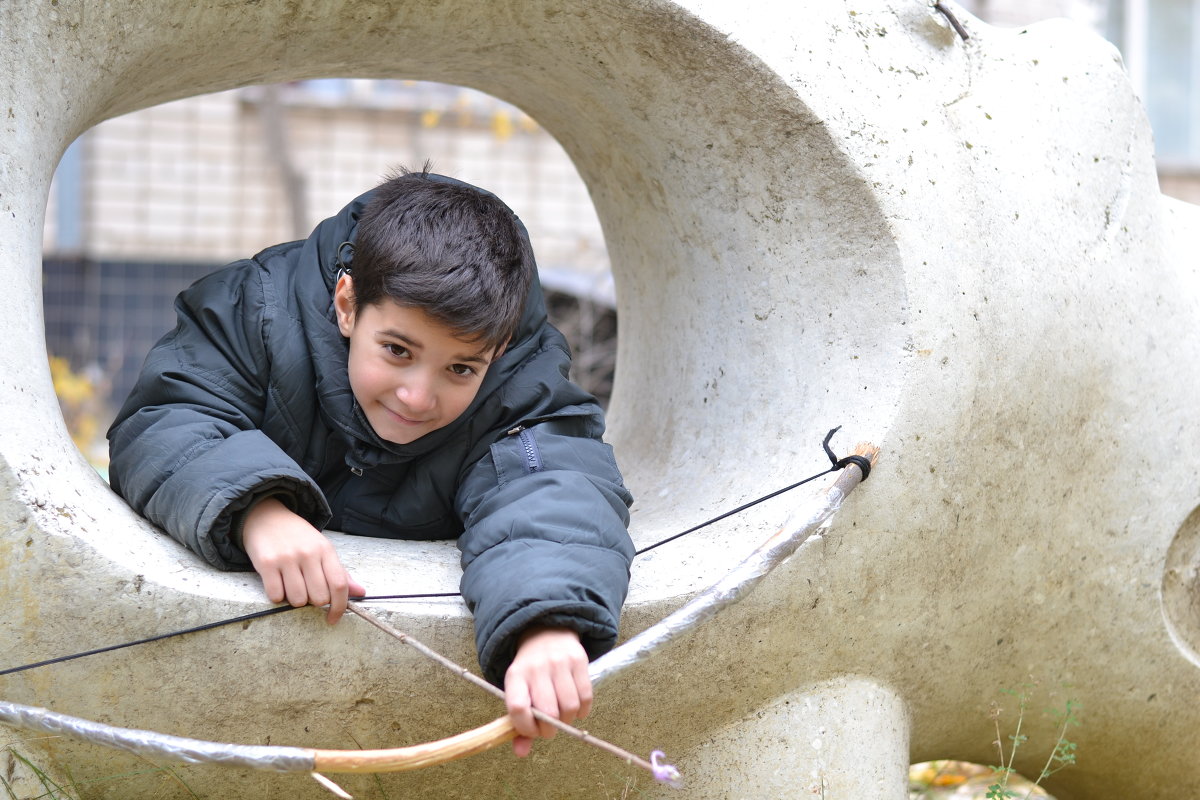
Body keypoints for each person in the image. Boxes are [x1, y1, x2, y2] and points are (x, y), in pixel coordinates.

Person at [106, 168, 635, 757]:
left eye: (460, 368)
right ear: (348, 303)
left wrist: (546, 619)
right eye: (397, 351)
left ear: (499, 350)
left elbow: (553, 485)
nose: (417, 396)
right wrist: (257, 508)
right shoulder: (257, 311)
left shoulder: (518, 387)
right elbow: (166, 417)